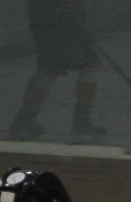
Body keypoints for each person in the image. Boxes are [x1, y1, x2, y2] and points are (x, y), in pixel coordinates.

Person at [9, 0, 104, 142]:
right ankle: (81, 121)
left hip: (48, 20)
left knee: (50, 67)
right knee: (89, 64)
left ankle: (24, 120)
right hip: (64, 21)